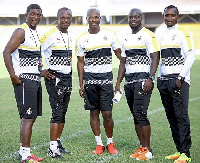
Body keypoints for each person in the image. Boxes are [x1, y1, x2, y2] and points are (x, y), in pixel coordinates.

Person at [115, 8, 160, 160]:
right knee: (135, 115)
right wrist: (118, 84)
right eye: (131, 17)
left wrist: (150, 78)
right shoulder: (126, 38)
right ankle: (142, 147)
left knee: (141, 114)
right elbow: (123, 62)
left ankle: (148, 150)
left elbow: (155, 57)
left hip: (143, 80)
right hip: (129, 81)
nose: (133, 19)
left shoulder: (148, 35)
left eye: (136, 17)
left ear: (141, 18)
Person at [76, 8, 121, 155]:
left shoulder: (109, 35)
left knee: (107, 113)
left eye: (96, 17)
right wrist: (81, 84)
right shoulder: (82, 39)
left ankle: (110, 143)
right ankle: (99, 144)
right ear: (87, 19)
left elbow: (121, 56)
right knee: (93, 113)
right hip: (90, 80)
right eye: (91, 17)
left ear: (100, 18)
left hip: (106, 80)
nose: (94, 20)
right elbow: (80, 63)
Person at [3, 4, 44, 163]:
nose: (36, 17)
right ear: (26, 15)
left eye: (38, 15)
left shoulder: (34, 32)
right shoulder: (21, 31)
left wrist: (42, 72)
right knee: (27, 117)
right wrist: (12, 75)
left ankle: (24, 152)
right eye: (32, 14)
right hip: (24, 80)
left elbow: (31, 59)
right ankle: (25, 155)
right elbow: (7, 51)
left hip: (34, 79)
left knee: (31, 116)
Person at [157, 5, 195, 163]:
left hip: (178, 80)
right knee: (171, 117)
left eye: (172, 15)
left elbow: (191, 56)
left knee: (181, 116)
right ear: (163, 16)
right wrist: (159, 78)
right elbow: (162, 59)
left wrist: (180, 77)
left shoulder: (183, 33)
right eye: (167, 15)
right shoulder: (162, 34)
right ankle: (179, 150)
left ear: (178, 16)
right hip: (164, 80)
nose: (169, 18)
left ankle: (186, 153)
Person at [40, 7, 73, 158]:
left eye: (68, 18)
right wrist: (41, 71)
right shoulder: (50, 34)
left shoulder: (70, 35)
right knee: (57, 112)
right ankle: (52, 148)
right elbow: (35, 50)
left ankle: (57, 143)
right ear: (57, 18)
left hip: (67, 77)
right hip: (55, 78)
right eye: (63, 18)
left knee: (63, 112)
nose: (66, 20)